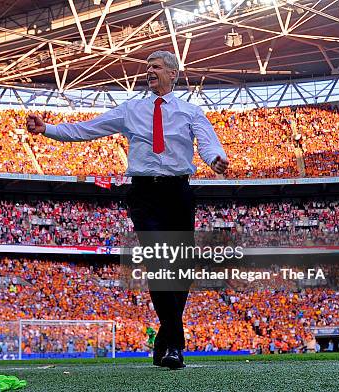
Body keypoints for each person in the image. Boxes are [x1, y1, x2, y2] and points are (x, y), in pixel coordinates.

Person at [26, 50, 228, 369]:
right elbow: (88, 128)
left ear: (173, 74)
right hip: (145, 192)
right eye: (148, 67)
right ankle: (175, 344)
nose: (149, 71)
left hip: (178, 191)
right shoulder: (131, 109)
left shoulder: (190, 112)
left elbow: (207, 142)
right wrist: (47, 128)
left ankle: (163, 342)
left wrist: (216, 159)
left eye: (157, 67)